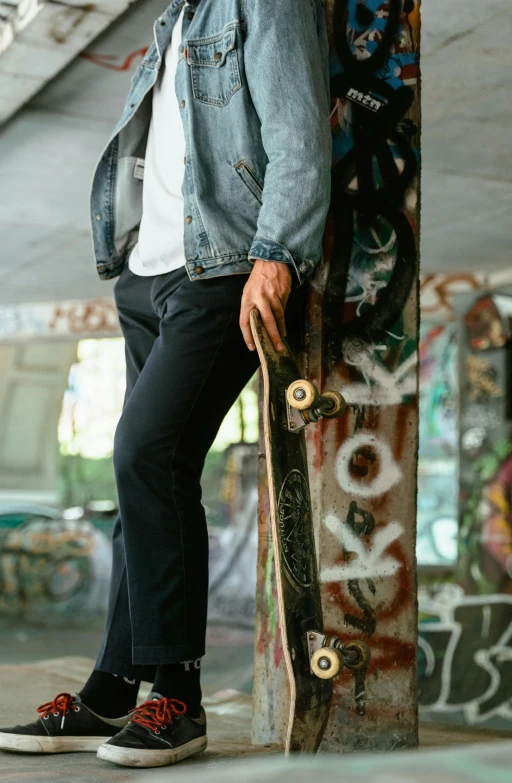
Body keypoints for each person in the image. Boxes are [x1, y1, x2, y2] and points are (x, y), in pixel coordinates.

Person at [0, 0, 331, 768]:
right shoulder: (172, 21)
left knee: (146, 453)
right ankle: (112, 688)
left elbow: (298, 131)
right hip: (146, 278)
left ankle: (176, 697)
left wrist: (278, 255)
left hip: (219, 270)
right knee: (147, 475)